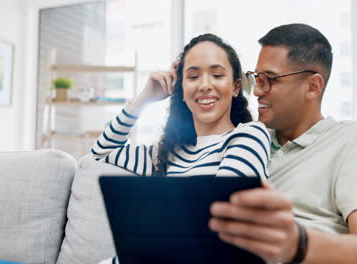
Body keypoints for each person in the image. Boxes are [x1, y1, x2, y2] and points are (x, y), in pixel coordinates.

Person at [209, 23, 357, 264]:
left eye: (270, 79)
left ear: (313, 86)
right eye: (256, 78)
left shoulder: (355, 141)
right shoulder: (246, 142)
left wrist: (297, 243)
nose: (258, 91)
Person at [92, 34, 270, 263]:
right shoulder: (166, 152)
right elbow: (101, 153)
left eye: (217, 75)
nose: (205, 85)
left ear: (235, 87)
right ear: (182, 90)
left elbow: (221, 227)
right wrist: (143, 99)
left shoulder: (249, 136)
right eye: (193, 76)